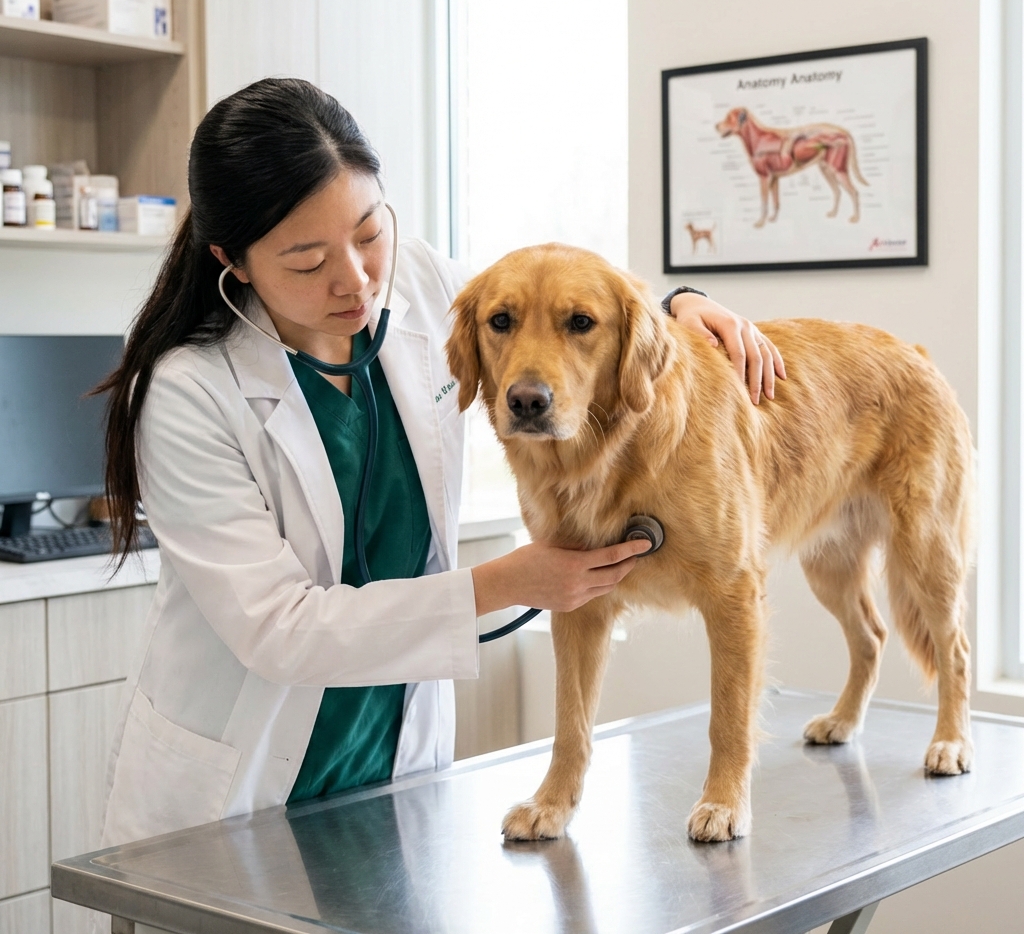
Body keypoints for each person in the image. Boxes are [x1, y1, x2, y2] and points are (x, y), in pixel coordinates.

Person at [95, 77, 785, 847]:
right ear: (235, 260)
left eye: (367, 232)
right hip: (234, 791)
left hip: (393, 763)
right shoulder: (189, 393)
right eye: (306, 258)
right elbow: (279, 630)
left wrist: (682, 305)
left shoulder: (422, 288)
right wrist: (511, 581)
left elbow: (565, 317)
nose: (355, 280)